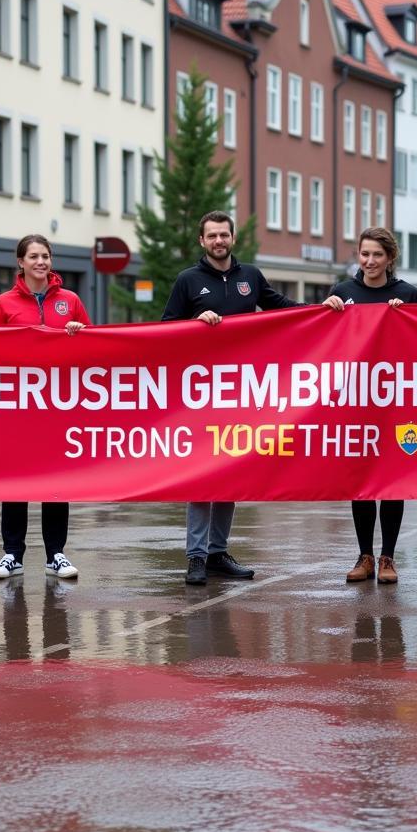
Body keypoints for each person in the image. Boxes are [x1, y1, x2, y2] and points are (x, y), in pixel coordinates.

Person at [162, 210, 303, 586]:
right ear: (202, 241)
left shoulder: (251, 277)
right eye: (212, 236)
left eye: (224, 234)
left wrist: (324, 310)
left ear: (233, 237)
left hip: (241, 391)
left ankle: (217, 553)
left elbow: (281, 308)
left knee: (229, 471)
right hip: (200, 393)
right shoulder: (188, 280)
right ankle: (195, 556)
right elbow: (164, 329)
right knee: (200, 475)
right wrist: (194, 324)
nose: (218, 241)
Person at [0, 234, 89, 582]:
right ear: (21, 262)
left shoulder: (70, 300)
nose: (41, 262)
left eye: (45, 256)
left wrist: (79, 333)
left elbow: (95, 349)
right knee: (16, 481)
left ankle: (55, 554)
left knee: (55, 481)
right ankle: (12, 554)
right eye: (33, 256)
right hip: (18, 407)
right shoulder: (3, 303)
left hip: (59, 406)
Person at [325, 227, 417, 585]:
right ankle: (364, 555)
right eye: (364, 254)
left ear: (390, 258)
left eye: (377, 255)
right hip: (356, 398)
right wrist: (327, 310)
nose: (369, 261)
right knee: (361, 479)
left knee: (392, 480)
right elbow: (326, 342)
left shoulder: (408, 294)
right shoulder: (342, 293)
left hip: (395, 399)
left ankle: (388, 558)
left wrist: (406, 317)